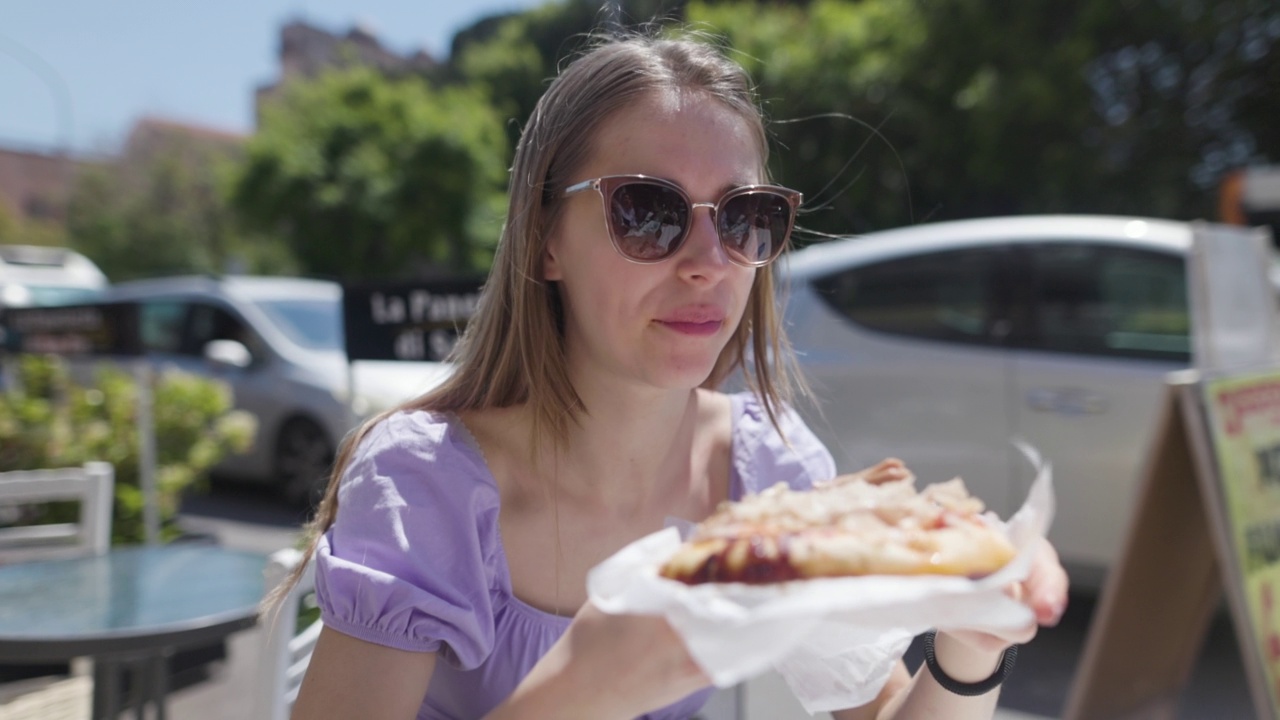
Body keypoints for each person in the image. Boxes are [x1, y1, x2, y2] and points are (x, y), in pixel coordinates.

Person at [285, 32, 1069, 720]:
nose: (709, 264)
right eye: (648, 212)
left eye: (744, 218)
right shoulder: (423, 486)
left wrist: (971, 645)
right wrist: (575, 696)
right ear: (544, 242)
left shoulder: (771, 473)